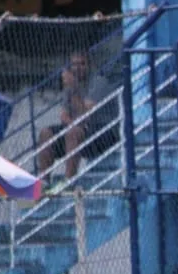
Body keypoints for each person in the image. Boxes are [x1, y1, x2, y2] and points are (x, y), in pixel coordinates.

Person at [37, 51, 120, 186]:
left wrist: (74, 89)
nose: (77, 68)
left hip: (104, 131)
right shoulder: (71, 85)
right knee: (46, 133)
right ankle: (43, 181)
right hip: (82, 130)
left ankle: (69, 181)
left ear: (89, 65)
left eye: (82, 64)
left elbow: (85, 115)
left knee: (73, 133)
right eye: (74, 64)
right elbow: (63, 115)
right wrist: (73, 124)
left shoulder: (99, 82)